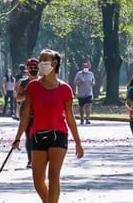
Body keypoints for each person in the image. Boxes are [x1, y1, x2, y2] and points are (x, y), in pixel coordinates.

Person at [13, 49, 83, 203]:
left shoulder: (65, 89)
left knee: (53, 175)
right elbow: (26, 115)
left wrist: (78, 142)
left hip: (58, 134)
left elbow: (70, 117)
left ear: (54, 63)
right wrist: (17, 137)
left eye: (45, 59)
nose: (42, 63)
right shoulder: (32, 87)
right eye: (40, 60)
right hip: (37, 135)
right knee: (38, 180)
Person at [16, 58, 39, 169]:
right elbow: (18, 98)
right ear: (27, 69)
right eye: (31, 68)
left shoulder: (43, 82)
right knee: (29, 137)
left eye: (35, 67)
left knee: (38, 137)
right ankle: (30, 159)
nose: (33, 69)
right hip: (26, 113)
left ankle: (39, 159)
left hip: (40, 113)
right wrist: (28, 96)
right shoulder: (23, 83)